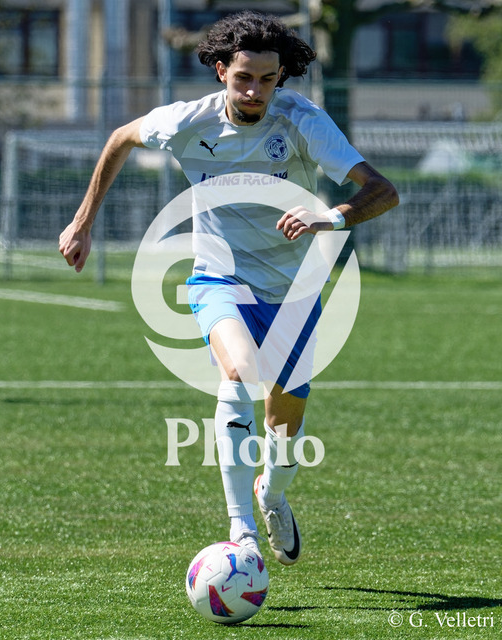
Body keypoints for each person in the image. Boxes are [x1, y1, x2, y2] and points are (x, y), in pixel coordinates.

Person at [59, 11, 398, 565]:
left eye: (267, 79)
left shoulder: (302, 121)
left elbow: (383, 190)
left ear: (281, 76)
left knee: (284, 430)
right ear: (222, 71)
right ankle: (241, 533)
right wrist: (82, 222)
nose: (255, 91)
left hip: (293, 292)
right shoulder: (187, 121)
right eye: (244, 78)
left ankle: (272, 494)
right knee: (238, 374)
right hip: (220, 278)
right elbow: (121, 138)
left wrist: (332, 216)